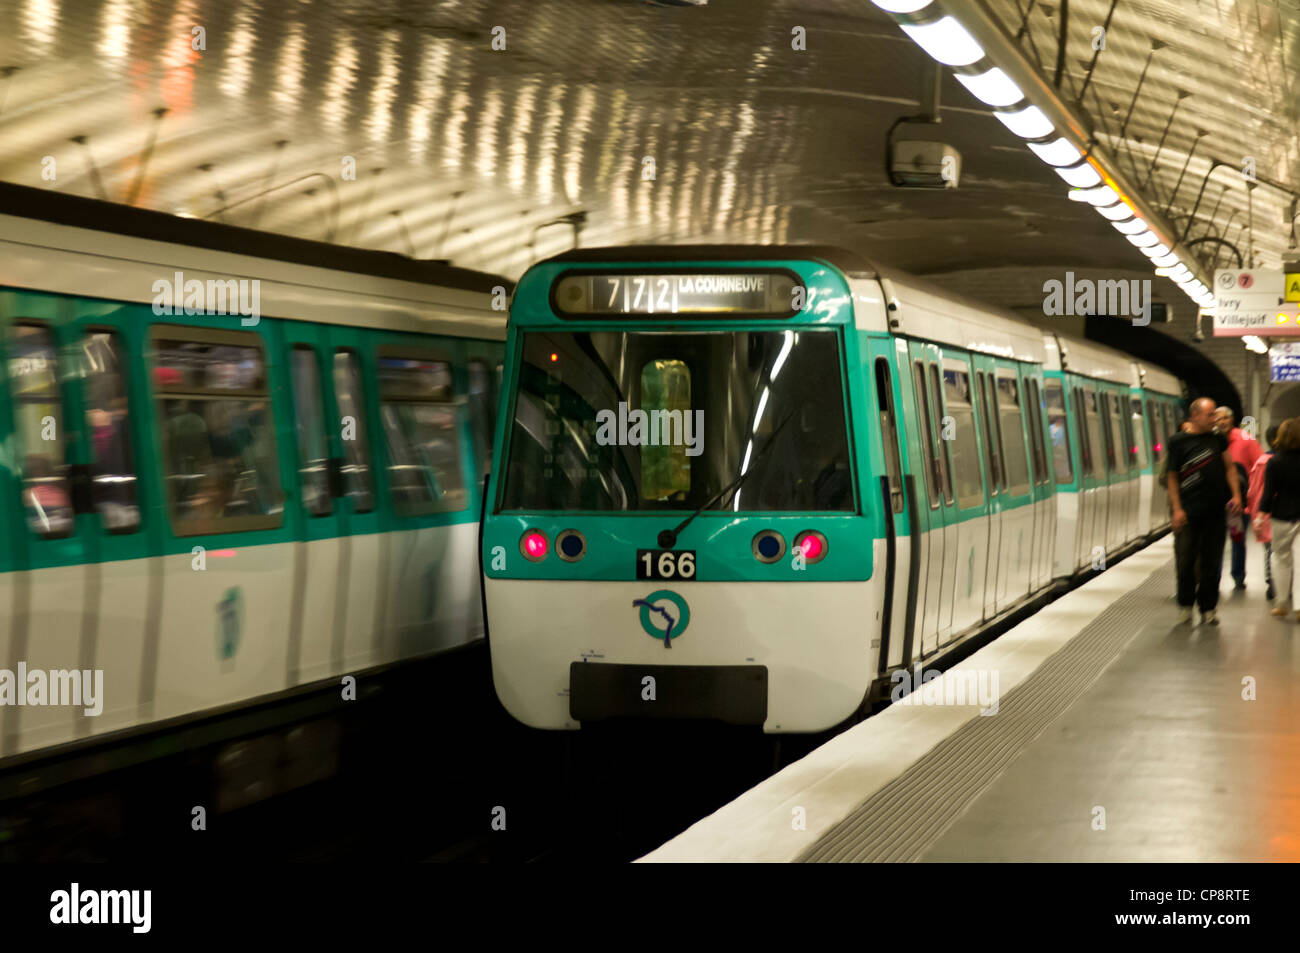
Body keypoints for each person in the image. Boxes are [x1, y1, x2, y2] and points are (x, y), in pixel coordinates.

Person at [1164, 398, 1243, 625]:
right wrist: (1177, 509)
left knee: (1212, 561)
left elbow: (1229, 467)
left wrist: (1236, 495)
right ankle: (1185, 605)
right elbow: (1171, 476)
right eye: (1210, 415)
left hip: (1215, 511)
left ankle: (1208, 608)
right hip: (1188, 512)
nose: (1214, 419)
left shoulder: (1218, 439)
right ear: (1195, 415)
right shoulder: (1178, 442)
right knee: (1185, 561)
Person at [1213, 407, 1262, 588]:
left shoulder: (1246, 440)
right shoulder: (1211, 441)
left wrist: (1253, 497)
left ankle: (1238, 576)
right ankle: (1213, 577)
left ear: (1232, 420)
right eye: (1218, 418)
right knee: (1215, 542)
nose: (1222, 421)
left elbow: (1260, 466)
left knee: (1237, 540)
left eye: (1225, 418)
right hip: (1216, 501)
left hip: (1238, 502)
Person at [1258, 419, 1300, 619]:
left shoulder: (1275, 461)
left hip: (1282, 515)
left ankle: (1282, 602)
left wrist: (1260, 515)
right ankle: (1299, 605)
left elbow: (1268, 493)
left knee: (1281, 559)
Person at [1246, 423, 1280, 602]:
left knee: (1270, 549)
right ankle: (1287, 585)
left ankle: (1271, 582)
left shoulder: (1261, 462)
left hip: (1265, 513)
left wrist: (1252, 510)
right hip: (1287, 512)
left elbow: (1253, 490)